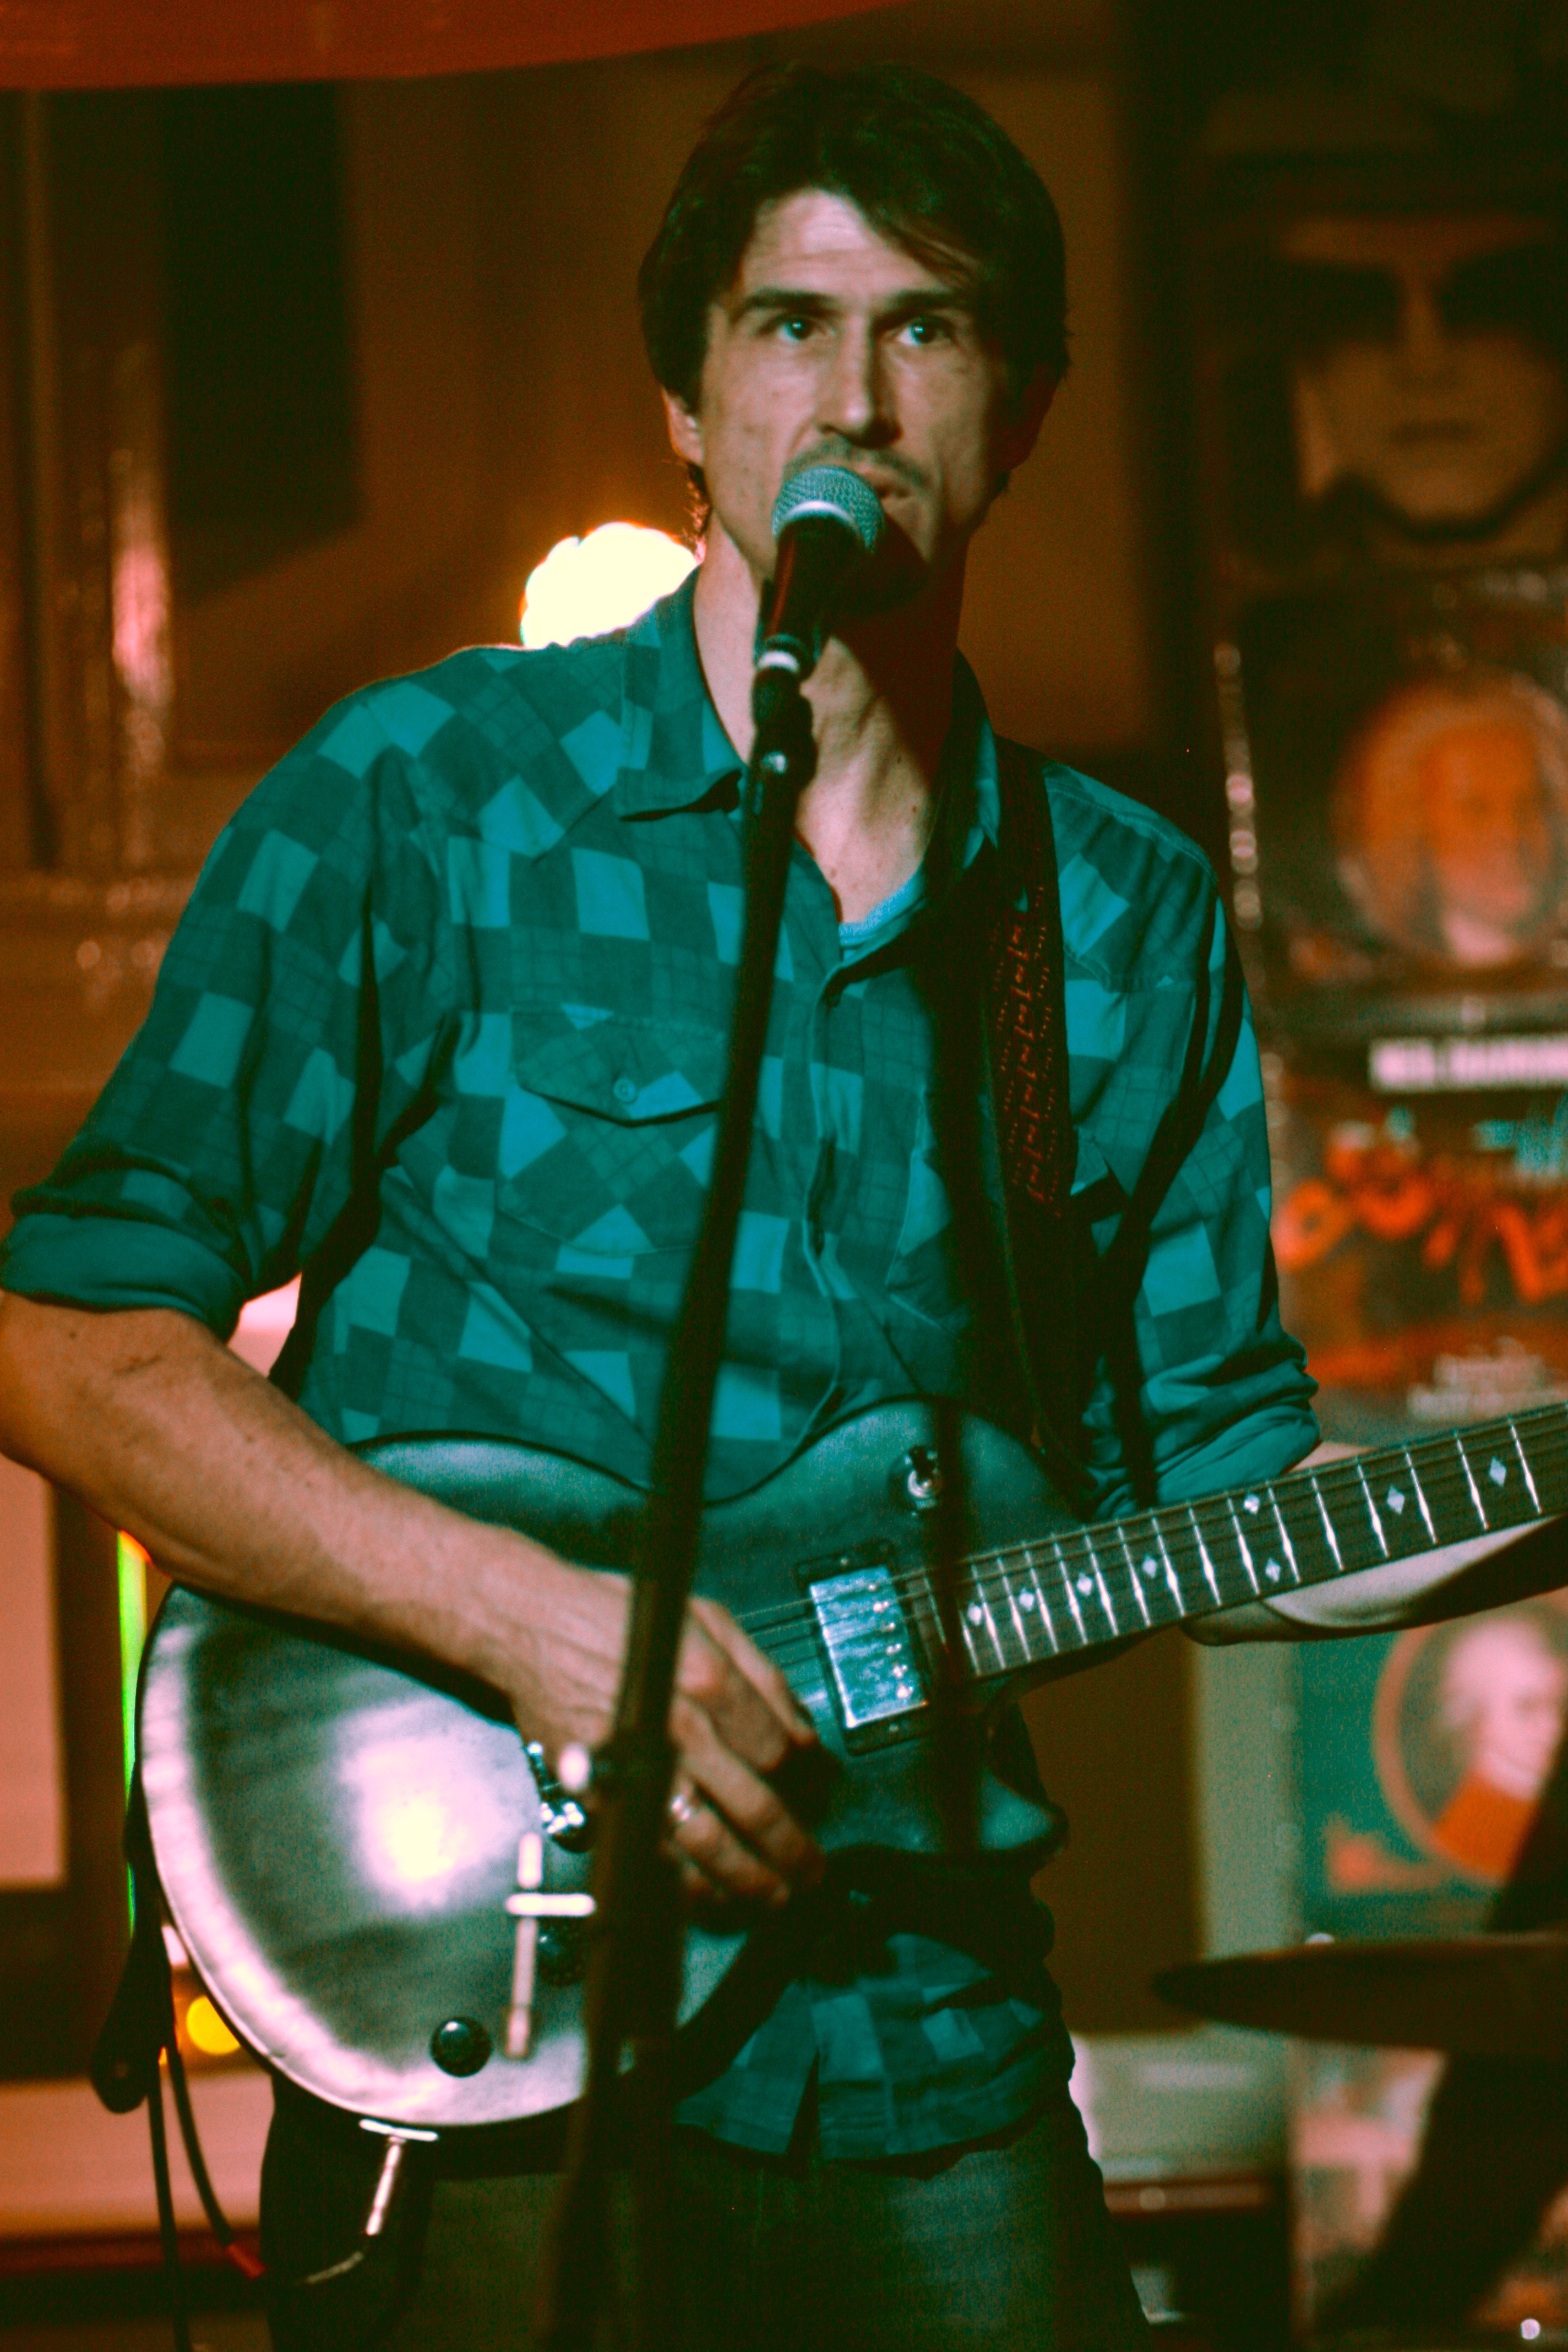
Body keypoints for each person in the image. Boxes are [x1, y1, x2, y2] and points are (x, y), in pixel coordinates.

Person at [0, 61, 1563, 2352]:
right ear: (685, 399)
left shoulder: (1119, 918)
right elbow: (72, 1339)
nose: (855, 396)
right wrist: (537, 1626)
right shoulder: (427, 801)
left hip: (925, 2041)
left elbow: (1223, 1495)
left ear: (1022, 411)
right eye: (789, 324)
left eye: (927, 328)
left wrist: (1527, 1492)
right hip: (490, 2039)